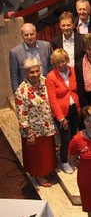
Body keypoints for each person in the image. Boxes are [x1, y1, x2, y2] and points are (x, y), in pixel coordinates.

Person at [14, 57, 57, 187]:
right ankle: (39, 176)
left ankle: (47, 170)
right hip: (34, 130)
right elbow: (22, 115)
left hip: (47, 125)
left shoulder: (45, 81)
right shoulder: (22, 91)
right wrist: (29, 134)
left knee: (47, 152)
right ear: (26, 73)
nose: (35, 74)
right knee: (36, 155)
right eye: (31, 72)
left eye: (37, 71)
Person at [45, 49, 80, 174]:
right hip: (61, 112)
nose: (61, 64)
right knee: (65, 137)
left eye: (63, 61)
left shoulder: (74, 70)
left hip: (75, 109)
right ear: (54, 63)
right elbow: (52, 99)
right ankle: (64, 161)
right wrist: (60, 118)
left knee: (75, 135)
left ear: (67, 60)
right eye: (57, 62)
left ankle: (74, 156)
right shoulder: (50, 77)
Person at [9, 23, 52, 92]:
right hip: (27, 90)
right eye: (26, 35)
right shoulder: (14, 52)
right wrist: (16, 94)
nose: (29, 37)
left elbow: (52, 67)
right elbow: (14, 76)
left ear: (36, 33)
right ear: (22, 36)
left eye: (32, 34)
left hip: (46, 85)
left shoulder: (46, 46)